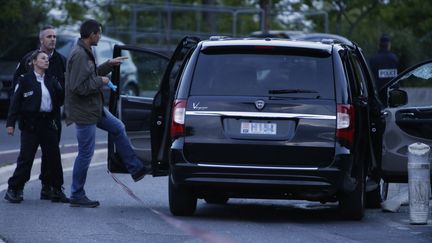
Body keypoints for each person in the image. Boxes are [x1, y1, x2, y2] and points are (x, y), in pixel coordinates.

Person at [65, 19, 151, 208]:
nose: (100, 36)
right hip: (84, 112)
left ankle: (135, 169)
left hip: (94, 108)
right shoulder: (80, 54)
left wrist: (108, 64)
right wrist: (101, 81)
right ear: (92, 34)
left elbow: (90, 73)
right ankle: (76, 194)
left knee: (118, 127)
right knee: (85, 153)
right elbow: (78, 86)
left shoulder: (85, 51)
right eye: (99, 33)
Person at [4, 50, 69, 203]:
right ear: (34, 62)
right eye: (43, 58)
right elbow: (16, 103)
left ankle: (56, 189)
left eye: (47, 59)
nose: (46, 61)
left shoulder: (51, 80)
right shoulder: (24, 80)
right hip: (30, 124)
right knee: (26, 159)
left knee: (54, 158)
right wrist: (10, 123)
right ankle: (14, 189)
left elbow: (59, 100)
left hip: (48, 123)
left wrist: (61, 90)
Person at [369, 34, 399, 105]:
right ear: (389, 45)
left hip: (378, 93)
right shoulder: (394, 58)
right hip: (392, 93)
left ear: (379, 45)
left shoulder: (374, 59)